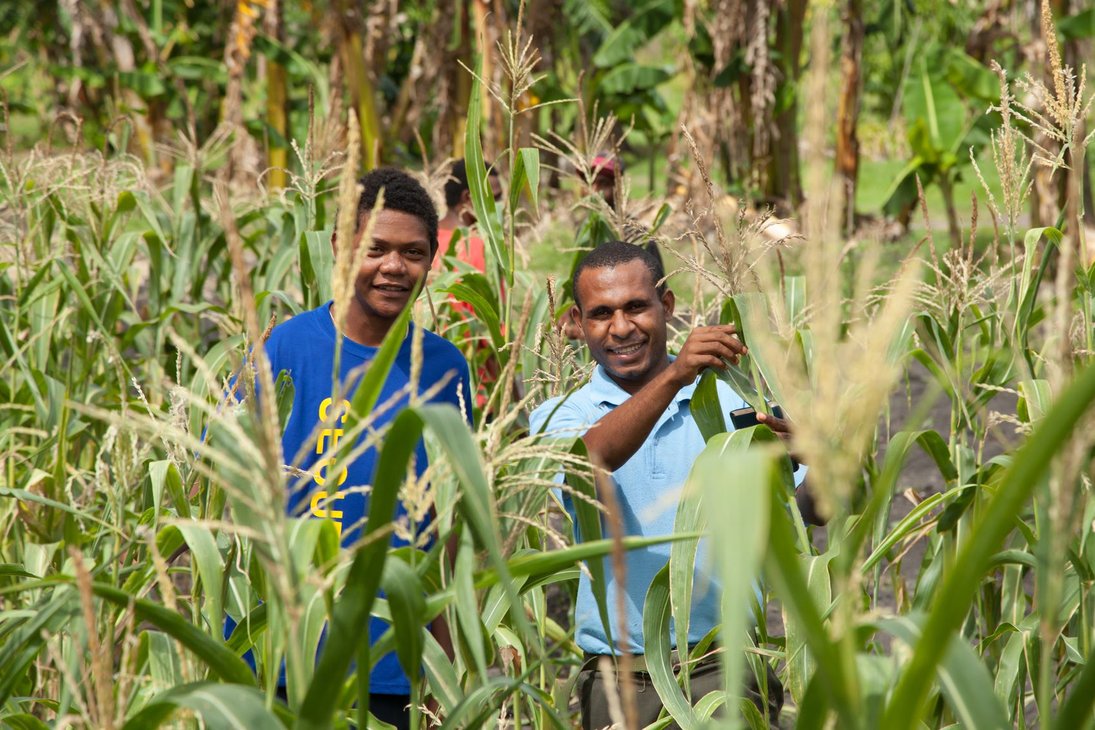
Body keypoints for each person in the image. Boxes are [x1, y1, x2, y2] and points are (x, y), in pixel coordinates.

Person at [530, 241, 816, 730]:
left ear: (666, 306)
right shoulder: (560, 416)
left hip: (723, 671)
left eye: (636, 306)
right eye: (601, 313)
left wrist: (818, 456)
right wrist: (676, 375)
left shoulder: (735, 402)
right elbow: (589, 460)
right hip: (621, 682)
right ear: (576, 323)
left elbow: (815, 511)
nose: (621, 327)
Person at [241, 167, 471, 729]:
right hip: (282, 657)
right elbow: (216, 487)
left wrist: (449, 667)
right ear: (342, 246)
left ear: (433, 258)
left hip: (394, 665)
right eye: (376, 249)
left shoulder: (444, 368)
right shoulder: (285, 349)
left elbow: (446, 530)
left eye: (413, 252)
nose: (394, 267)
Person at [434, 158, 502, 272]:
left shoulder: (421, 238)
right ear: (468, 197)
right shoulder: (480, 250)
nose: (500, 206)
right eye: (494, 199)